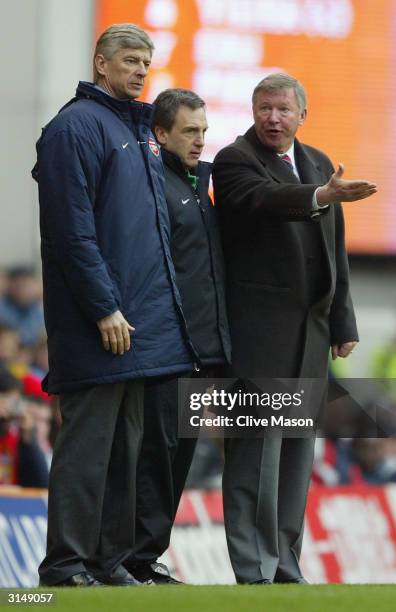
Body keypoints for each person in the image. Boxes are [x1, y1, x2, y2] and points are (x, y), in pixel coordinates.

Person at [33, 24, 195, 587]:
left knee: (127, 452)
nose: (140, 71)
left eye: (146, 62)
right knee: (88, 451)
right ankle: (65, 567)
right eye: (129, 60)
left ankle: (106, 562)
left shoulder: (141, 133)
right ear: (101, 64)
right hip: (99, 325)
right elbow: (70, 232)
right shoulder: (74, 128)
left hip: (141, 327)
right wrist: (104, 308)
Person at [212, 72, 377, 584]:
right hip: (258, 338)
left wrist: (342, 322)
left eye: (283, 109)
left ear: (302, 114)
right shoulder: (235, 160)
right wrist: (318, 195)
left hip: (311, 338)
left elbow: (335, 253)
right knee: (253, 458)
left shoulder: (321, 163)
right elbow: (263, 200)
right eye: (264, 108)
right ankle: (253, 567)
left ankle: (285, 565)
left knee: (294, 459)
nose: (273, 118)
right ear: (252, 110)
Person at [122, 88, 231, 584]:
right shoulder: (152, 187)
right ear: (160, 133)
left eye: (204, 132)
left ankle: (146, 558)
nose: (199, 141)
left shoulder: (196, 185)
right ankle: (131, 558)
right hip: (167, 347)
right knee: (157, 455)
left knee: (178, 455)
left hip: (200, 351)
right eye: (190, 131)